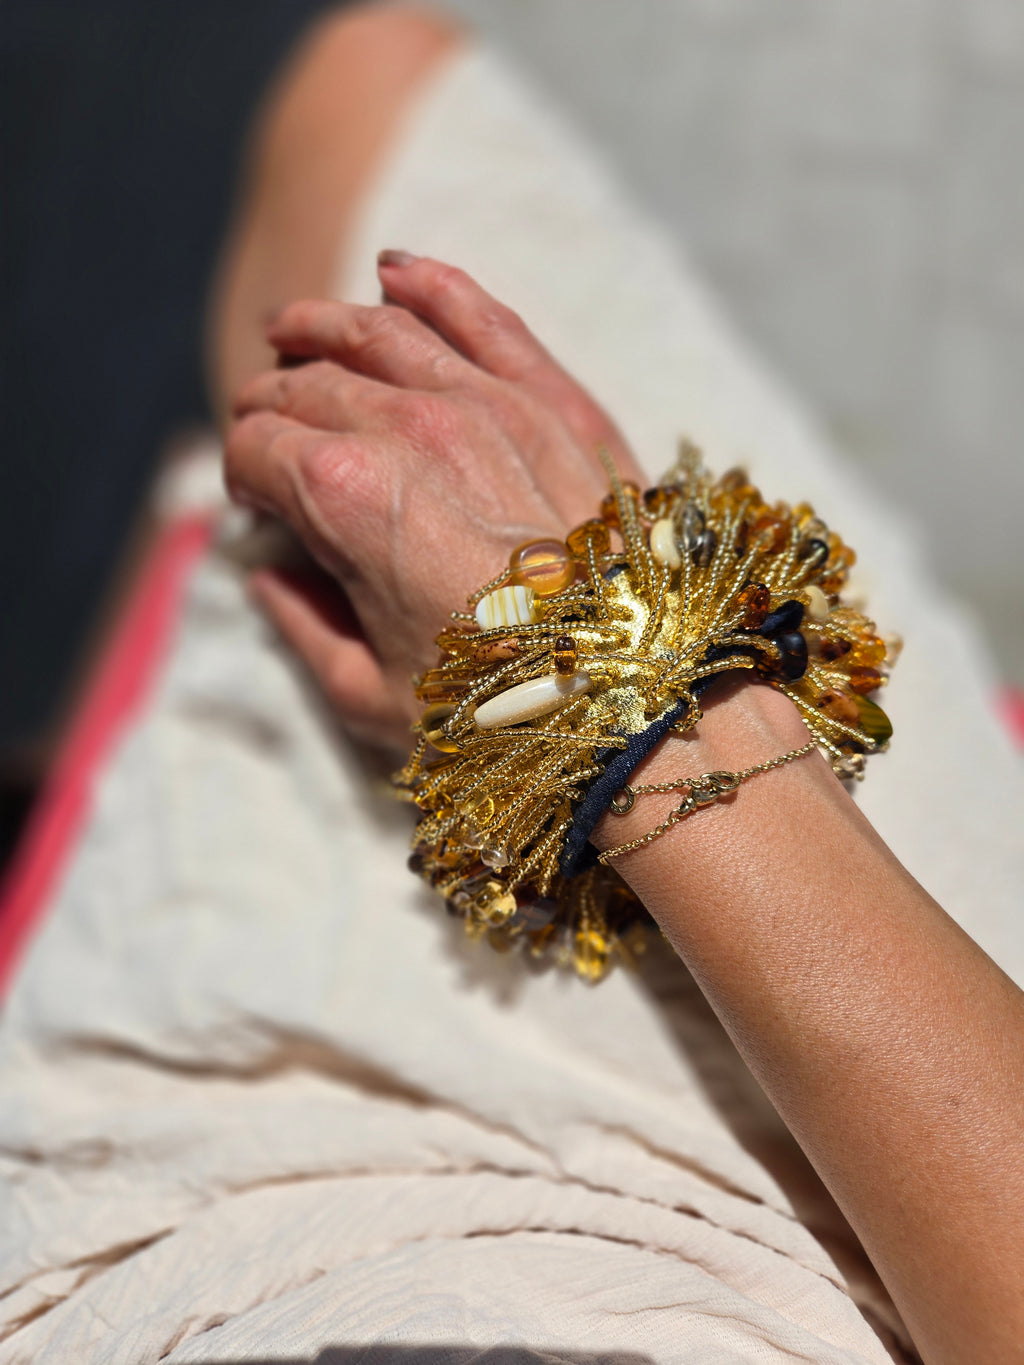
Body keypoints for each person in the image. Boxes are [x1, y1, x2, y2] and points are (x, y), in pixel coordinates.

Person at [1, 6, 1021, 1363]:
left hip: (192, 1219)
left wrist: (583, 689)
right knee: (360, 140)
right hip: (915, 1152)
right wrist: (623, 664)